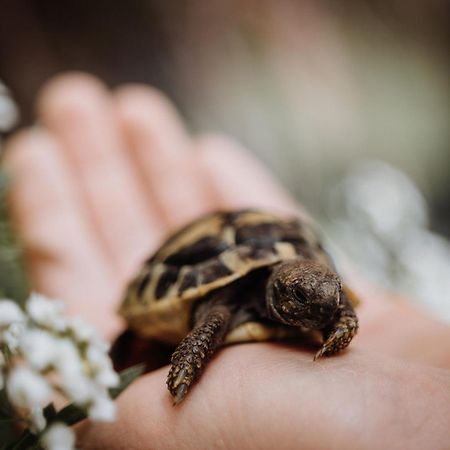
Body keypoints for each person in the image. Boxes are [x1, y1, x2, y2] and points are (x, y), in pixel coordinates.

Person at [3, 73, 450, 449]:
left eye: (329, 292)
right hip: (213, 294)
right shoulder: (225, 305)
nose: (322, 304)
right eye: (301, 295)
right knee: (195, 324)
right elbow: (214, 318)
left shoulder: (318, 288)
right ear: (277, 289)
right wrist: (189, 358)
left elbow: (330, 300)